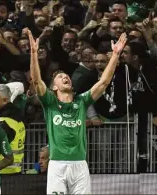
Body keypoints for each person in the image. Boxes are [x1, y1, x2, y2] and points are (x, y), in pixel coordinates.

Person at [26, 27, 127, 194]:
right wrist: (34, 54)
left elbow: (103, 83)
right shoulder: (50, 102)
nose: (65, 77)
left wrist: (115, 55)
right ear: (55, 88)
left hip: (80, 164)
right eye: (60, 77)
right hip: (57, 164)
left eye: (66, 76)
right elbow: (36, 81)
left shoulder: (81, 101)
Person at [0, 83, 26, 174]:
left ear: (5, 100)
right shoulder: (17, 118)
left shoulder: (3, 123)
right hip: (16, 172)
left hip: (1, 173)